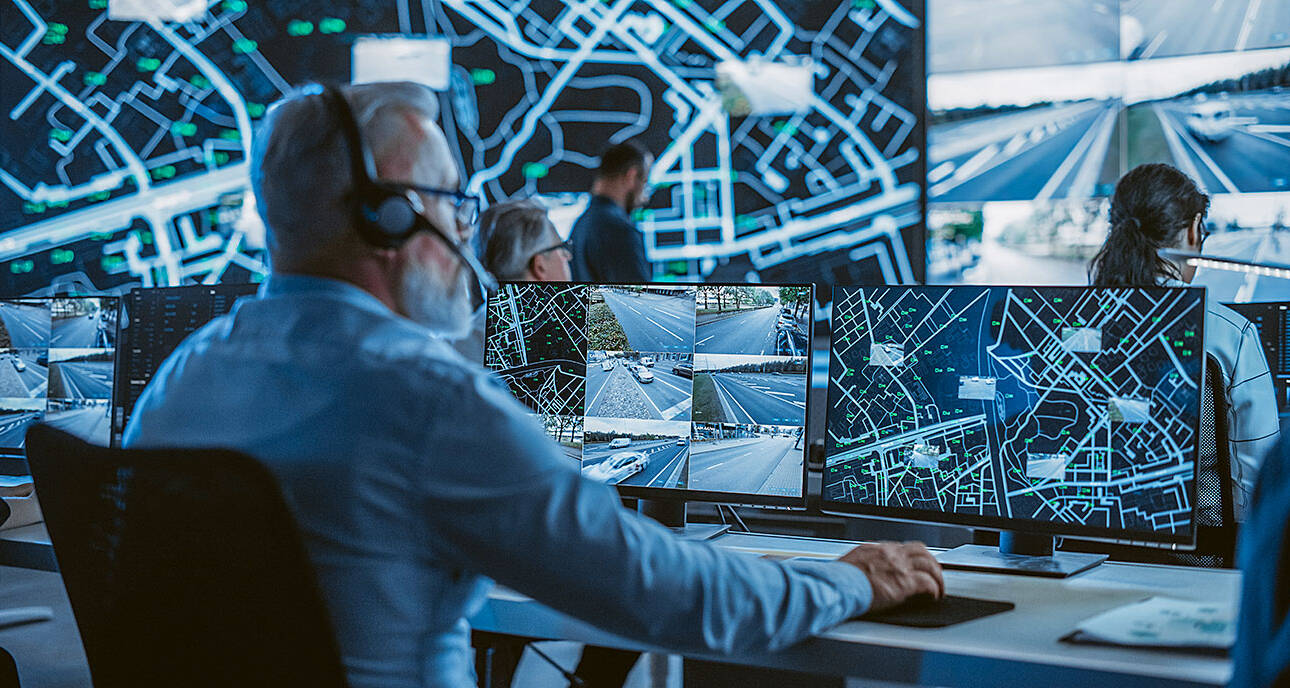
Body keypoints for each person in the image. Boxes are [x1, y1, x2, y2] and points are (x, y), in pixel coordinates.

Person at [122, 81, 943, 688]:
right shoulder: (421, 400)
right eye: (451, 202)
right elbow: (664, 595)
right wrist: (852, 577)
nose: (465, 230)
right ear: (389, 219)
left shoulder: (179, 382)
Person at [1088, 163, 1281, 520]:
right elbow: (1256, 486)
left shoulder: (1072, 327)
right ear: (1193, 231)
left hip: (1085, 552)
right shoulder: (1230, 334)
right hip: (1202, 562)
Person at [452, 199, 573, 363]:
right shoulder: (570, 338)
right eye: (561, 248)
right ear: (540, 266)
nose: (568, 256)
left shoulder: (457, 346)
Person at [569, 141, 652, 282]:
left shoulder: (581, 224)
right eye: (644, 181)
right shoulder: (619, 231)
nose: (645, 198)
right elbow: (639, 300)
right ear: (631, 176)